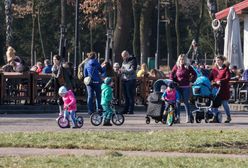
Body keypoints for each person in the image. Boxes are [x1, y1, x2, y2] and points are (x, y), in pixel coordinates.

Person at [170, 54, 197, 123]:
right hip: (178, 87)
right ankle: (178, 118)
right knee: (178, 101)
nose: (181, 61)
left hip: (186, 87)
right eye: (180, 59)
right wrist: (174, 81)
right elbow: (171, 74)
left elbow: (195, 74)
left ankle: (188, 117)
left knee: (185, 102)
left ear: (185, 60)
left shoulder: (188, 67)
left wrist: (192, 81)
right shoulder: (176, 66)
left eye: (183, 59)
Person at [209, 55, 232, 123]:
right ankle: (215, 117)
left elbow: (228, 78)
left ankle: (228, 117)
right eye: (216, 60)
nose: (217, 62)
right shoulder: (214, 69)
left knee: (224, 103)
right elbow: (210, 78)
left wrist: (220, 81)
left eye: (219, 60)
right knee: (214, 103)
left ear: (222, 61)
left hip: (224, 89)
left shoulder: (226, 68)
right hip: (216, 89)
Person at [120, 50, 137, 114]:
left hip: (131, 80)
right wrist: (120, 70)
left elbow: (132, 71)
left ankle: (131, 110)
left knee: (130, 95)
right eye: (122, 57)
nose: (123, 58)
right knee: (125, 96)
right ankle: (125, 109)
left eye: (124, 56)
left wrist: (123, 71)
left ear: (127, 55)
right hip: (124, 80)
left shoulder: (133, 60)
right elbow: (123, 68)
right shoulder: (124, 61)